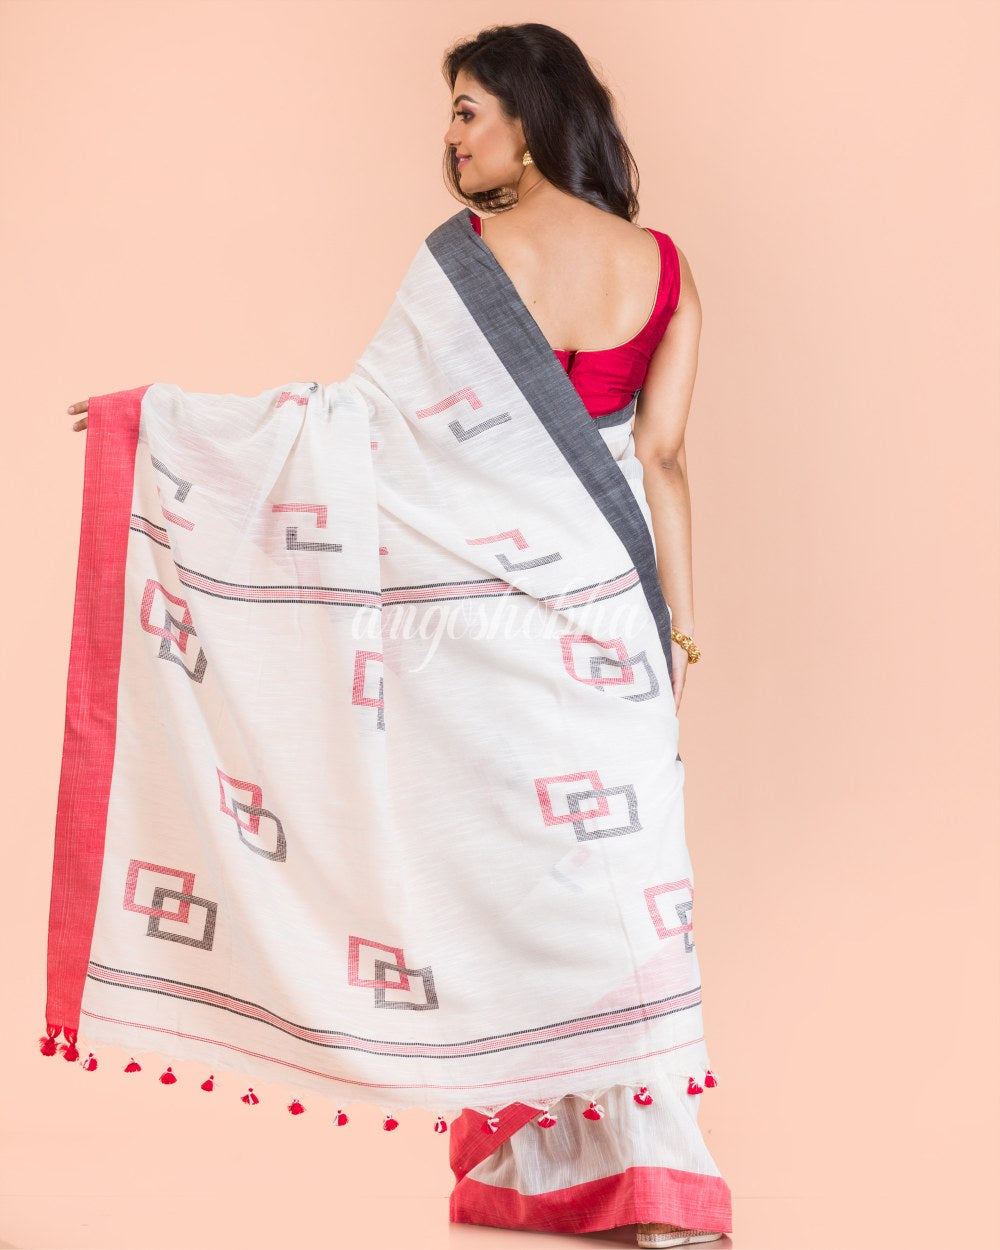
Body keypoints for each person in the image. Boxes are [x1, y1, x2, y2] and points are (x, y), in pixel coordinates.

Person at [65, 21, 732, 1250]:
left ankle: (565, 1154)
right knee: (626, 892)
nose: (453, 137)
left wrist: (162, 427)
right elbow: (665, 457)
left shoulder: (467, 258)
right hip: (614, 622)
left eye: (469, 110)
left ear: (528, 120)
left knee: (509, 878)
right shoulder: (664, 267)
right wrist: (677, 635)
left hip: (484, 637)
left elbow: (351, 430)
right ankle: (652, 1180)